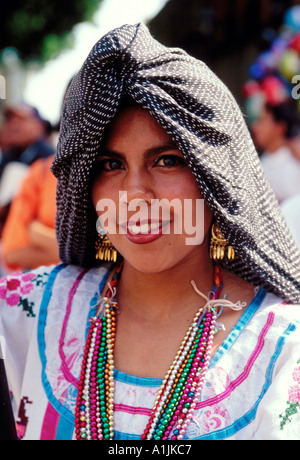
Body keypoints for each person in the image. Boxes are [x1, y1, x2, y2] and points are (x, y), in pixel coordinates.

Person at [0, 23, 299, 441]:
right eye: (111, 164)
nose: (134, 196)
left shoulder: (282, 351)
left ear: (215, 178)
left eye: (167, 161)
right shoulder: (23, 319)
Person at [0, 104, 55, 234]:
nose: (14, 125)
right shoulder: (11, 154)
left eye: (22, 120)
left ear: (39, 125)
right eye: (10, 120)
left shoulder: (49, 158)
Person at [1, 155, 59, 272]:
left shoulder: (102, 171)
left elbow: (104, 254)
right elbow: (13, 252)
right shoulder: (41, 172)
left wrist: (38, 233)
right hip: (49, 284)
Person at [251, 100, 300, 203]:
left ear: (279, 127)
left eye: (262, 120)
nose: (256, 127)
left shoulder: (295, 160)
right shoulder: (259, 165)